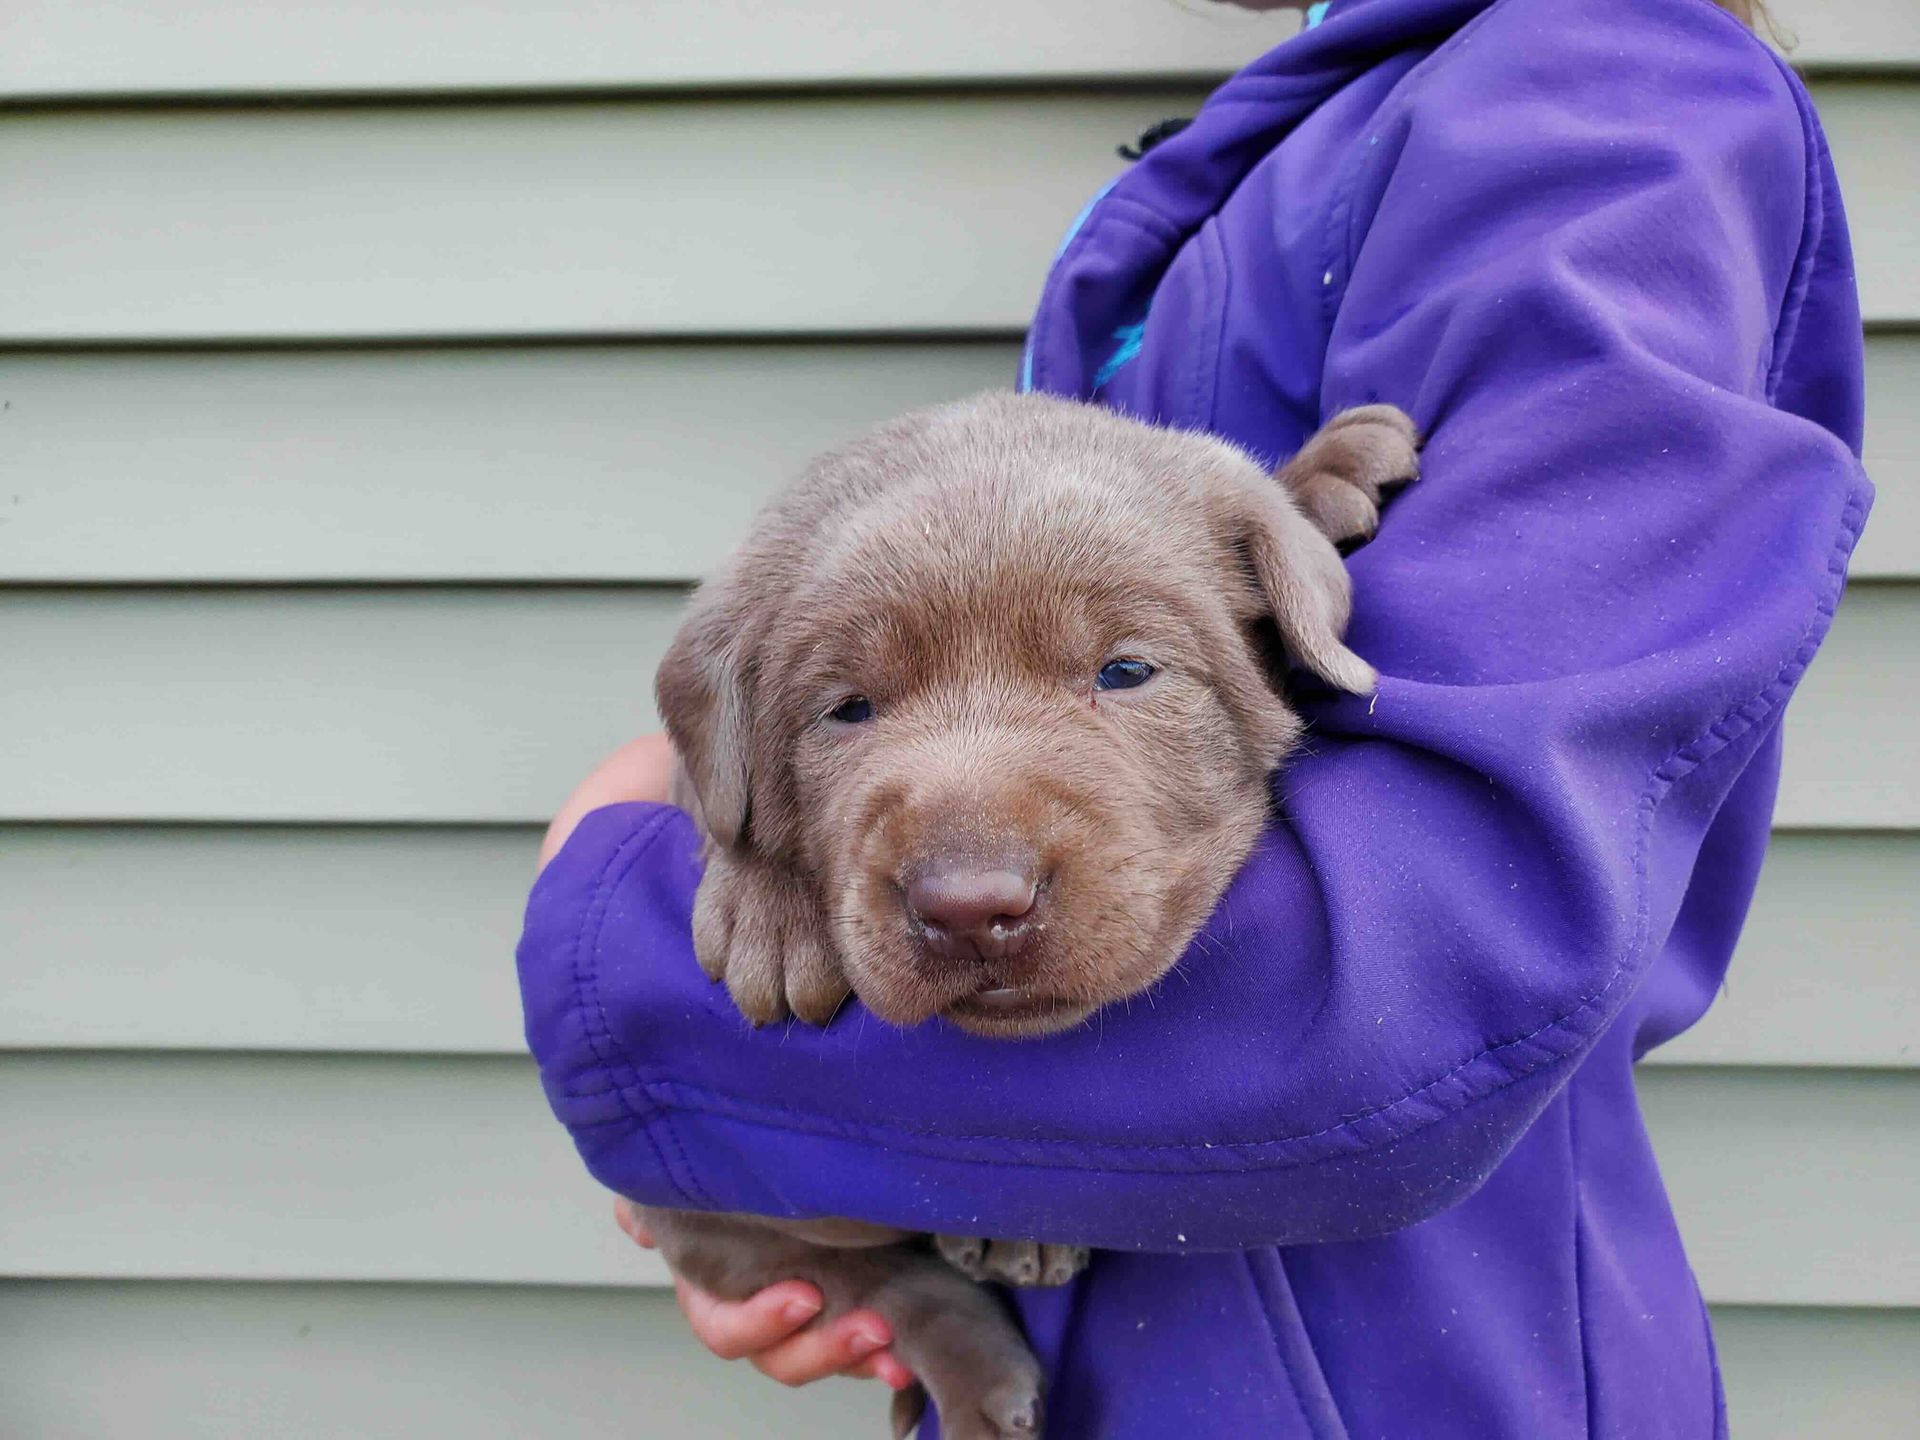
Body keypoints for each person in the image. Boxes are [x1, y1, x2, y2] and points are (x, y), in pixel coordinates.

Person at [522, 0, 1870, 1431]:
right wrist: (808, 1215)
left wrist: (618, 944)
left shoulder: (1604, 99)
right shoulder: (1307, 131)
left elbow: (1390, 1001)